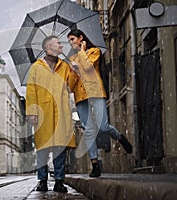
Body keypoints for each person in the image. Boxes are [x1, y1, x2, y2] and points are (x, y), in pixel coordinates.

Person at [67, 29, 132, 177]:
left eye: (72, 39)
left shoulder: (94, 51)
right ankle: (95, 164)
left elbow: (89, 68)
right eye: (69, 41)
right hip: (80, 97)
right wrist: (73, 71)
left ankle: (119, 137)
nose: (71, 43)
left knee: (103, 126)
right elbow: (70, 86)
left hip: (96, 93)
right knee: (88, 130)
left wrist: (82, 53)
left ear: (81, 38)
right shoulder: (73, 59)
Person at [26, 35, 76, 193]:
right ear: (48, 48)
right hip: (43, 113)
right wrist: (32, 112)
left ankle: (59, 181)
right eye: (58, 43)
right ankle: (42, 180)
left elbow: (71, 87)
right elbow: (31, 91)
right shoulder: (36, 67)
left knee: (60, 148)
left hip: (61, 112)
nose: (61, 46)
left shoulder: (65, 66)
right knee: (43, 149)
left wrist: (75, 71)